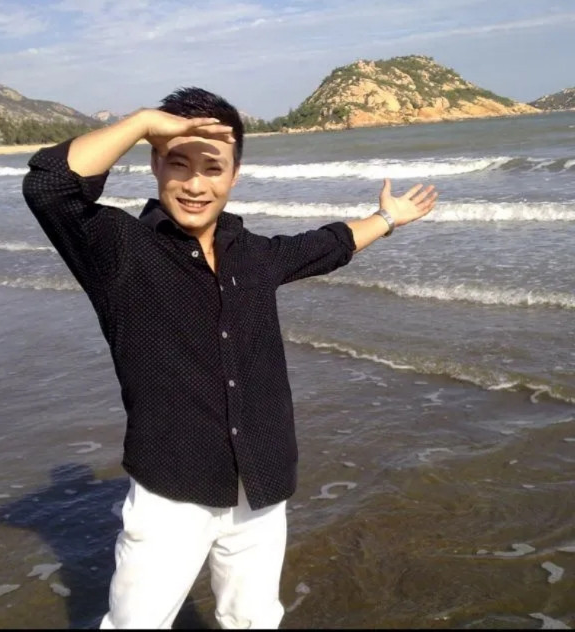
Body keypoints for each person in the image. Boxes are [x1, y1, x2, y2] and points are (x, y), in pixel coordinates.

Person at [23, 87, 437, 629]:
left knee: (254, 618)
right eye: (179, 164)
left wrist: (386, 218)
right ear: (155, 165)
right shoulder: (118, 250)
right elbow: (50, 186)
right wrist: (145, 122)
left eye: (213, 168)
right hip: (172, 489)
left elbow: (326, 245)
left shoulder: (253, 253)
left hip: (261, 482)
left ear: (235, 174)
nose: (196, 185)